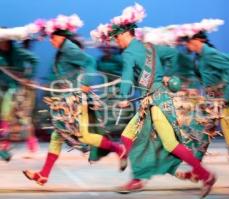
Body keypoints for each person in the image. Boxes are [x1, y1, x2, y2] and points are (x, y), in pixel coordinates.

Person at [91, 4, 215, 198]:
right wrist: (167, 76)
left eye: (116, 37)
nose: (116, 42)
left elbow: (126, 77)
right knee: (127, 136)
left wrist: (124, 97)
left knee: (169, 144)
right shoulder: (150, 47)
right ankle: (138, 178)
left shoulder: (129, 53)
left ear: (125, 34)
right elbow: (173, 55)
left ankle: (205, 175)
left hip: (155, 104)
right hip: (156, 99)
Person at [23, 14, 126, 186]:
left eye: (52, 37)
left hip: (75, 100)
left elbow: (90, 61)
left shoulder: (69, 48)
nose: (50, 41)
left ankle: (119, 149)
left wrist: (85, 82)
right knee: (57, 135)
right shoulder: (62, 51)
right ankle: (43, 175)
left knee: (83, 136)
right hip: (66, 101)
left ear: (61, 36)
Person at [0, 26, 39, 161]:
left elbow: (34, 60)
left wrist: (29, 77)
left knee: (23, 119)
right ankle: (4, 148)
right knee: (5, 119)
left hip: (20, 89)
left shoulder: (17, 51)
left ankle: (32, 147)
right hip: (5, 90)